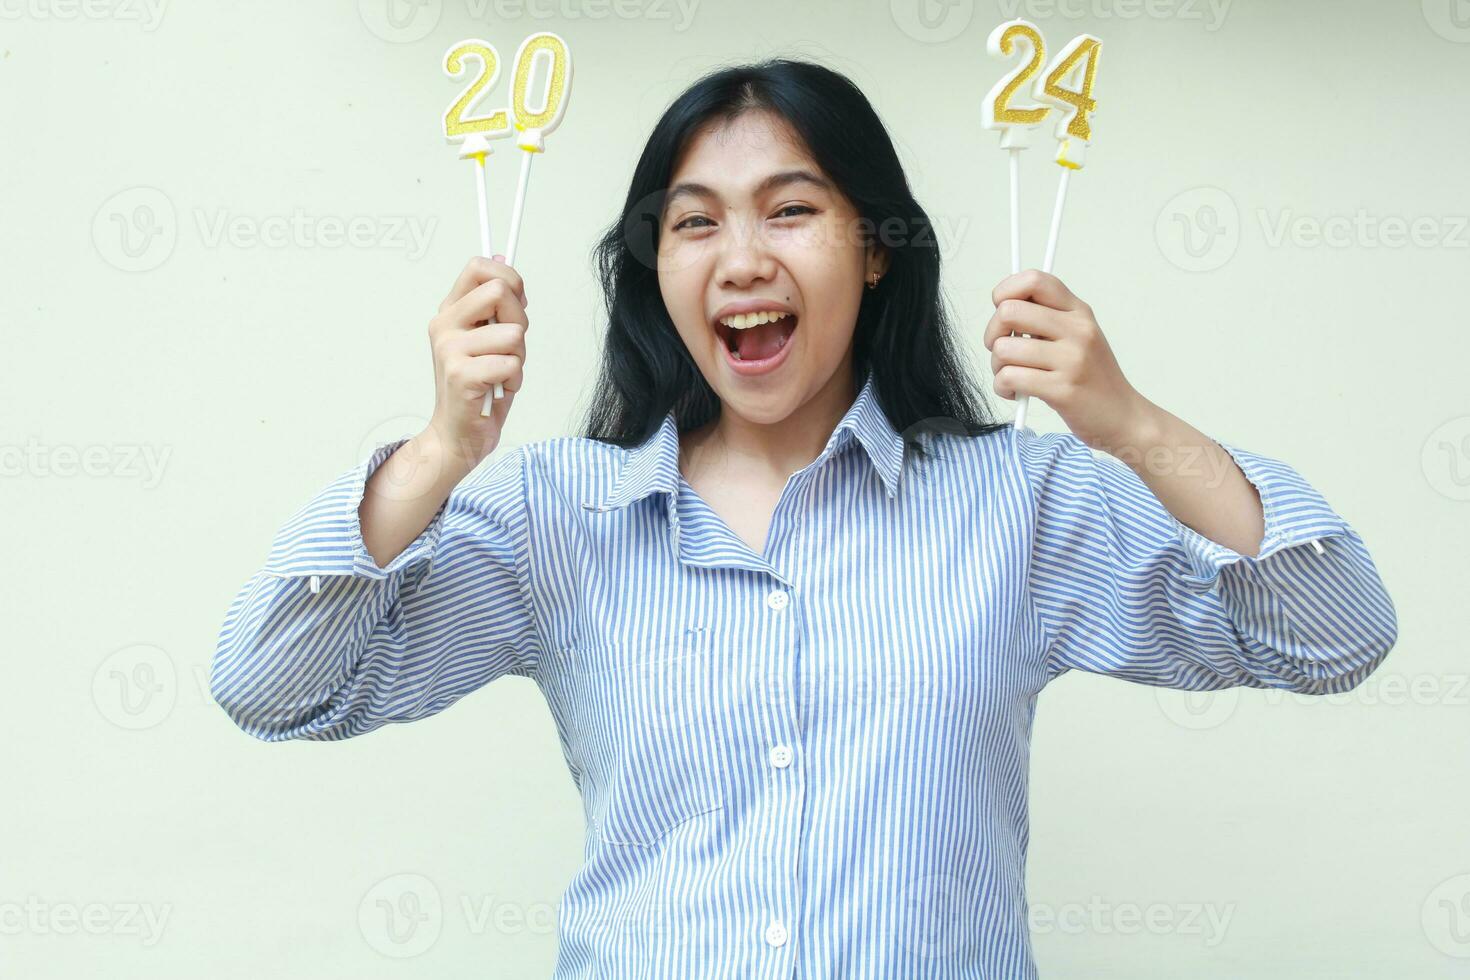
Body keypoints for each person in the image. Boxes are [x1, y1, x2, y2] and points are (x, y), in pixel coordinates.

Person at [211, 58, 1398, 978]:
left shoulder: (1015, 505)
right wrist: (437, 451)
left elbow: (1335, 631)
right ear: (655, 268)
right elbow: (273, 685)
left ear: (874, 250)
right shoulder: (554, 514)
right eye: (694, 222)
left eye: (789, 211)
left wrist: (1126, 418)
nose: (739, 259)